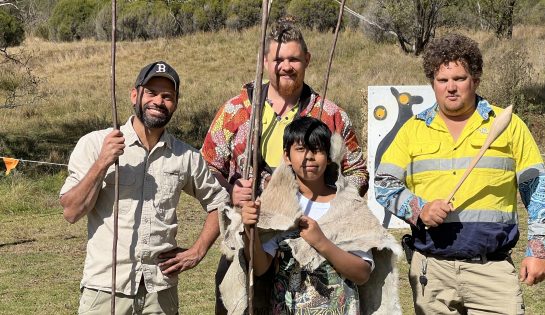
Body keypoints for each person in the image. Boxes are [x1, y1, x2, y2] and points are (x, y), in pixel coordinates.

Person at [375, 34, 545, 315]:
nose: (450, 88)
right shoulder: (412, 129)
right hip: (431, 272)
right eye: (442, 80)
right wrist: (419, 210)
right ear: (432, 83)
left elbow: (538, 191)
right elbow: (384, 185)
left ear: (476, 79)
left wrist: (540, 250)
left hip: (492, 271)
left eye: (459, 78)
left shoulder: (507, 125)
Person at [202, 18, 369, 313]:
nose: (286, 66)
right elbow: (208, 168)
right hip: (248, 244)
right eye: (278, 59)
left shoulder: (330, 117)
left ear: (307, 60)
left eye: (293, 58)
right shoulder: (236, 112)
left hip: (312, 249)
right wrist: (231, 191)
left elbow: (357, 171)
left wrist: (333, 206)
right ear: (265, 62)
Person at [60, 61, 229, 314]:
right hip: (105, 289)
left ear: (175, 103)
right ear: (134, 95)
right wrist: (103, 162)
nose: (158, 101)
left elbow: (220, 201)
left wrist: (197, 251)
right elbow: (71, 211)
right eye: (151, 93)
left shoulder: (185, 156)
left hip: (160, 293)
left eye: (167, 96)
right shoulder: (97, 144)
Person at [219, 117, 400, 314]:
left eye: (317, 149)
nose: (309, 157)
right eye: (300, 149)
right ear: (286, 156)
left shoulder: (349, 205)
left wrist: (321, 242)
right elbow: (261, 267)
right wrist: (249, 229)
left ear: (329, 156)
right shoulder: (276, 205)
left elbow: (362, 273)